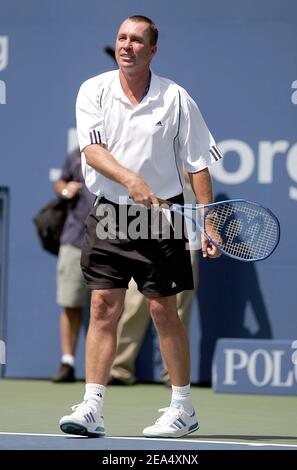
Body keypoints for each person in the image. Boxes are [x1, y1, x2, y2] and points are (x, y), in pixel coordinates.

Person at [59, 15, 222, 438]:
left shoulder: (177, 98)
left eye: (136, 40)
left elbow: (198, 161)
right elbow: (93, 152)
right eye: (121, 38)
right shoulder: (92, 90)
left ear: (152, 50)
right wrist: (132, 181)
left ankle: (182, 408)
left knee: (162, 311)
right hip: (111, 212)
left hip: (164, 218)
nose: (126, 46)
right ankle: (92, 406)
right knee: (103, 305)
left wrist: (207, 220)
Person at [109, 176, 199, 387]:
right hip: (143, 235)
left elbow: (195, 177)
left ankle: (173, 375)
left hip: (185, 240)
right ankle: (121, 369)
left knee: (177, 310)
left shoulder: (190, 152)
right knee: (133, 305)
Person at [52, 148, 94, 382]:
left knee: (111, 307)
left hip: (114, 240)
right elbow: (61, 181)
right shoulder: (76, 155)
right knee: (70, 303)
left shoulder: (123, 148)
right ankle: (67, 361)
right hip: (75, 240)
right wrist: (66, 189)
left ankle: (105, 367)